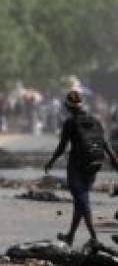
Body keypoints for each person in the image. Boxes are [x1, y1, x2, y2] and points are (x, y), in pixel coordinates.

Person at [44, 90, 118, 247]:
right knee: (80, 200)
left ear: (68, 107)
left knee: (82, 199)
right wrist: (113, 159)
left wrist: (51, 161)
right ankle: (70, 236)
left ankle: (94, 237)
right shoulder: (96, 120)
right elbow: (105, 143)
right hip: (94, 164)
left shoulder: (70, 123)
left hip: (76, 167)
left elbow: (62, 146)